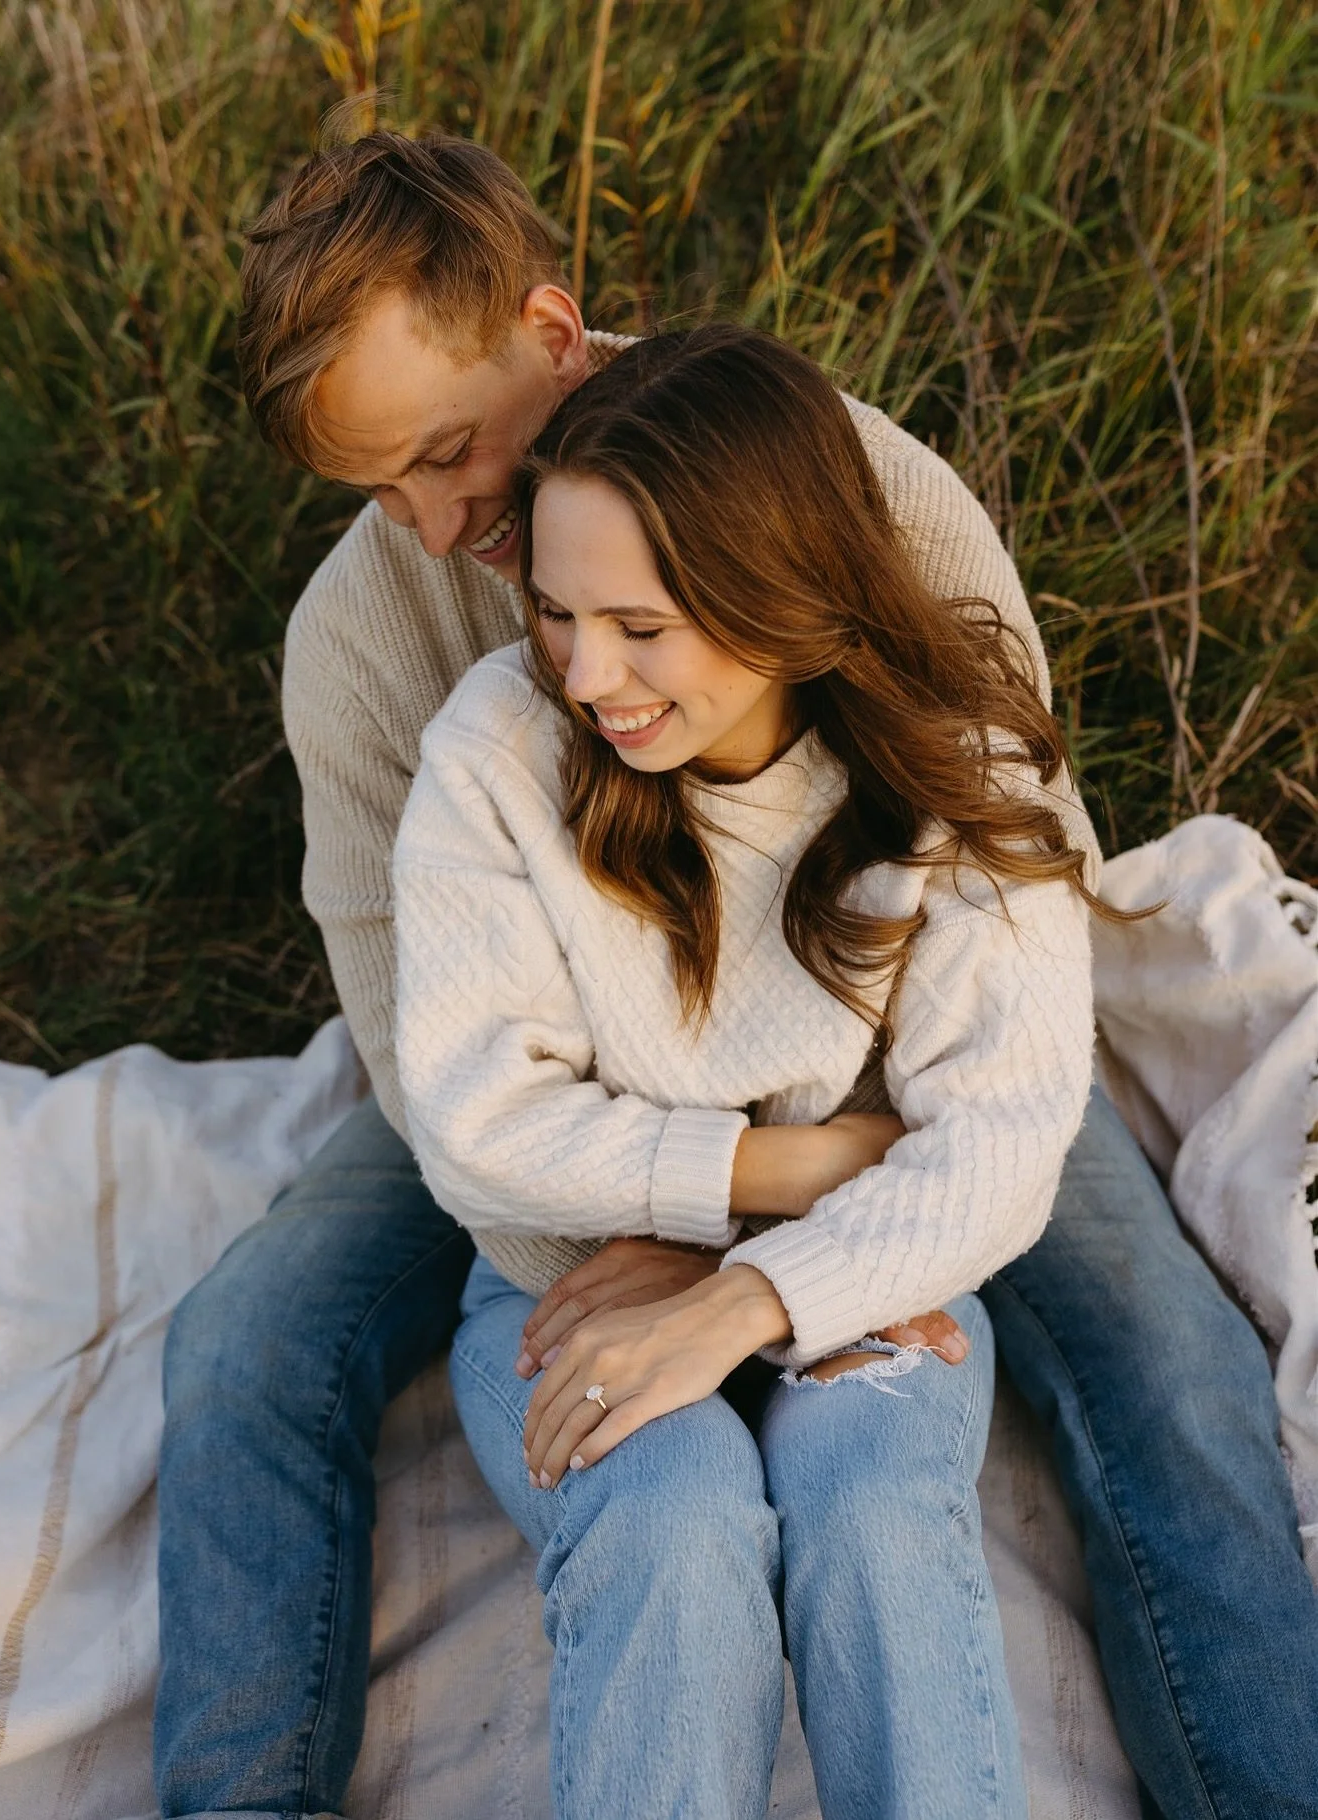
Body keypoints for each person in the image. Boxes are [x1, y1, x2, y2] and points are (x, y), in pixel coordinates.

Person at [153, 132, 1318, 1820]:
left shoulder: (862, 493)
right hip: (547, 1106)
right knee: (242, 1346)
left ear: (553, 331)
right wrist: (645, 1217)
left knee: (1166, 1360)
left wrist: (806, 1241)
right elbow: (425, 1042)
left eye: (449, 450)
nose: (433, 520)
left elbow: (1011, 856)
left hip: (878, 1080)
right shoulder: (370, 645)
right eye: (373, 485)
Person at [394, 319, 1114, 1817]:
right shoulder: (497, 755)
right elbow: (475, 1122)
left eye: (641, 626)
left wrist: (747, 1297)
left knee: (870, 1498)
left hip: (867, 1258)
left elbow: (996, 1141)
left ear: (778, 597)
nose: (590, 675)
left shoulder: (964, 760)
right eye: (556, 616)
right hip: (564, 1272)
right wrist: (765, 1177)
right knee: (668, 1517)